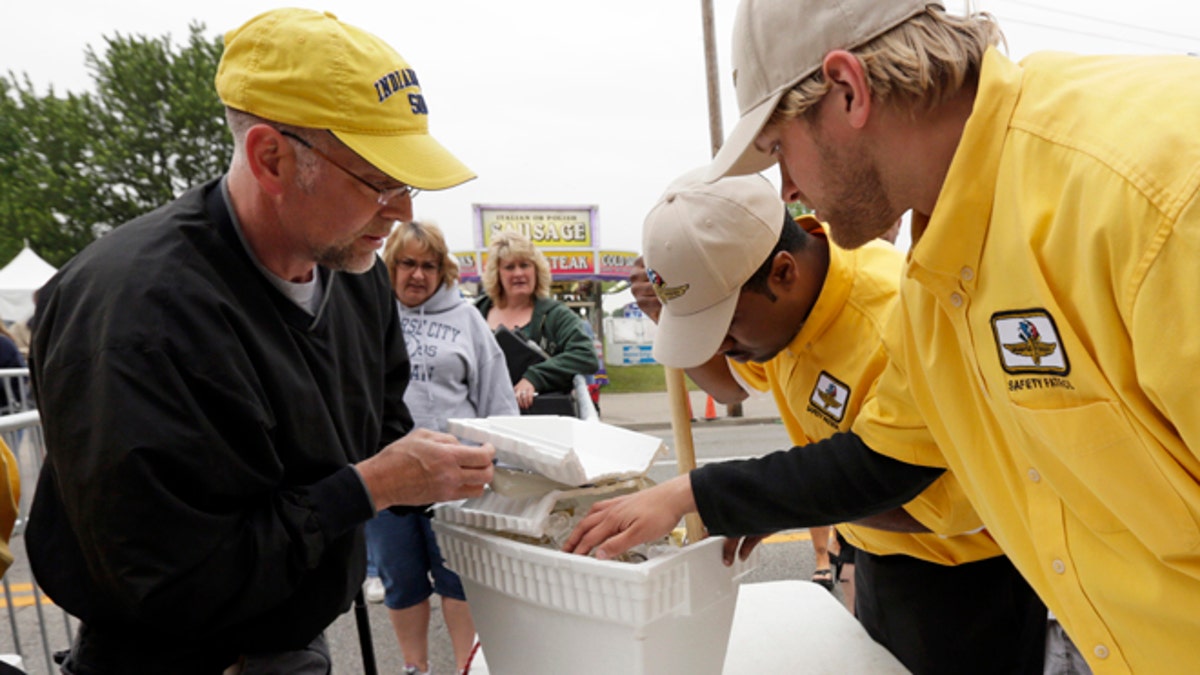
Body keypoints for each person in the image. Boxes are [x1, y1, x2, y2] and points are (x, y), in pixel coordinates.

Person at [576, 0, 1200, 671]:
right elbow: (890, 457)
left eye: (781, 148)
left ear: (848, 91)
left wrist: (702, 494)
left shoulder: (1149, 188)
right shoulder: (940, 279)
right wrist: (733, 498)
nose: (785, 188)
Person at [24, 9, 495, 673]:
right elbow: (171, 578)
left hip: (295, 640)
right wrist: (366, 488)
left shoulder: (356, 279)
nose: (402, 211)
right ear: (271, 157)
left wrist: (443, 471)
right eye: (379, 179)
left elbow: (379, 435)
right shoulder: (133, 313)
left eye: (407, 182)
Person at [625, 169, 1045, 673]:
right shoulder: (782, 310)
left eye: (725, 325)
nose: (720, 347)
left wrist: (761, 500)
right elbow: (730, 385)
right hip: (877, 554)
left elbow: (921, 493)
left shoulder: (896, 313)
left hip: (966, 579)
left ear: (783, 272)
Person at [367, 221, 518, 675]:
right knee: (401, 579)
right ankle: (416, 668)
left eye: (429, 265)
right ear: (390, 266)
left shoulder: (466, 318)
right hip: (387, 472)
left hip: (457, 477)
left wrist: (503, 463)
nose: (418, 275)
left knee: (458, 580)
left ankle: (462, 668)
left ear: (442, 271)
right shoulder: (369, 314)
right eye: (408, 264)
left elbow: (497, 396)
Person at [474, 230, 598, 411]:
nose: (518, 273)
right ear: (497, 274)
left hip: (538, 419)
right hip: (483, 417)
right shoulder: (475, 314)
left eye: (525, 265)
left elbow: (585, 356)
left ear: (537, 270)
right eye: (509, 267)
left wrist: (535, 377)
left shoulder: (555, 315)